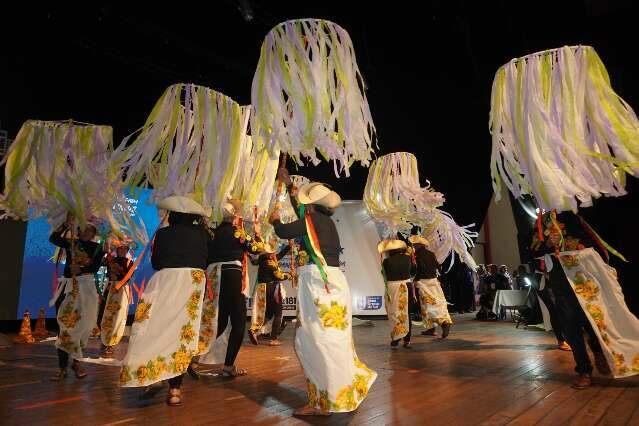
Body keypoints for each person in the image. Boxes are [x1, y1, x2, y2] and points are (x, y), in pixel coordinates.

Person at [269, 171, 376, 416]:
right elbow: (300, 215)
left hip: (318, 283)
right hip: (332, 282)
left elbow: (284, 232)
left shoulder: (311, 222)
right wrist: (289, 187)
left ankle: (323, 402)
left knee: (314, 341)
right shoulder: (321, 222)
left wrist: (275, 221)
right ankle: (335, 394)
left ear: (312, 207)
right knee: (329, 340)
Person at [119, 195, 210, 406]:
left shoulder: (162, 233)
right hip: (192, 283)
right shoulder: (202, 233)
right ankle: (175, 390)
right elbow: (206, 259)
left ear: (174, 216)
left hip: (165, 280)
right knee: (181, 335)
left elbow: (156, 261)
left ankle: (153, 375)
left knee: (153, 329)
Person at [532, 211, 611, 389]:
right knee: (569, 326)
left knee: (591, 322)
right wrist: (548, 244)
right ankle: (584, 370)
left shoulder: (575, 216)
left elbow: (592, 243)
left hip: (583, 278)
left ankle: (598, 350)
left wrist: (572, 245)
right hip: (560, 283)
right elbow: (532, 250)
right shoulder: (541, 221)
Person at [195, 199, 264, 377]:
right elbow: (257, 249)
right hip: (232, 275)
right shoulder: (237, 233)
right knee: (239, 322)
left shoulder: (212, 233)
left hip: (214, 278)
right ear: (235, 217)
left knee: (219, 319)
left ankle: (193, 357)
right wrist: (257, 234)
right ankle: (228, 366)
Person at [49, 215, 105, 381]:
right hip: (69, 288)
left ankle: (77, 361)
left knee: (84, 327)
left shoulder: (97, 248)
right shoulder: (71, 242)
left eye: (90, 229)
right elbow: (53, 238)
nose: (86, 232)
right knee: (65, 326)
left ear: (94, 232)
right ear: (79, 230)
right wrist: (66, 224)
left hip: (86, 289)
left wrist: (80, 269)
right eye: (83, 228)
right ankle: (62, 367)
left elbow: (94, 267)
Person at [248, 240, 293, 346]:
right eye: (274, 253)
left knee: (267, 313)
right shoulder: (270, 263)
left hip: (262, 289)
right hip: (272, 288)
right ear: (271, 253)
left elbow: (279, 256)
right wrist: (290, 275)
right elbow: (279, 276)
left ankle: (255, 330)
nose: (275, 255)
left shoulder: (262, 259)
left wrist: (288, 247)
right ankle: (273, 339)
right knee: (278, 313)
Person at [410, 234, 452, 338]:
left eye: (414, 245)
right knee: (439, 303)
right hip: (434, 281)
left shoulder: (415, 255)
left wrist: (415, 279)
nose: (413, 246)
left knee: (428, 306)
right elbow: (438, 267)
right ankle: (432, 327)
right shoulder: (431, 254)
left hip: (424, 282)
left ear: (417, 245)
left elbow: (416, 270)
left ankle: (443, 323)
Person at [99, 242, 134, 355]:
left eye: (124, 249)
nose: (122, 250)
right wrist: (105, 251)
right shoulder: (111, 259)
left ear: (127, 250)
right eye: (120, 248)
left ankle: (112, 343)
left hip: (122, 289)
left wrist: (118, 271)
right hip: (110, 288)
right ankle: (105, 340)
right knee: (106, 314)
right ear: (117, 249)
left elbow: (128, 277)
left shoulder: (130, 262)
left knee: (118, 316)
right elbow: (100, 263)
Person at [379, 239, 413, 348]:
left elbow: (385, 274)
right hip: (406, 286)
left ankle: (396, 337)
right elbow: (413, 271)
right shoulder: (408, 258)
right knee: (407, 313)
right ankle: (407, 340)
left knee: (393, 312)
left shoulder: (386, 261)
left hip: (393, 287)